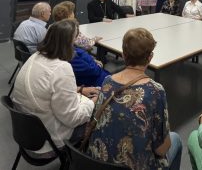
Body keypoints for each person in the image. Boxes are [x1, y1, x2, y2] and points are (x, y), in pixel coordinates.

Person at [87, 28, 182, 170]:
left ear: (123, 55)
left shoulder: (107, 81)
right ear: (150, 57)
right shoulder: (156, 90)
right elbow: (161, 149)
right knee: (176, 140)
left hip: (98, 162)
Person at [11, 20, 99, 157]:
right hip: (50, 141)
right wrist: (93, 102)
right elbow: (73, 118)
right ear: (69, 42)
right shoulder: (62, 68)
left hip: (29, 134)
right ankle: (86, 159)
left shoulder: (35, 56)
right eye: (75, 38)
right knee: (99, 116)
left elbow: (47, 88)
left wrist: (79, 90)